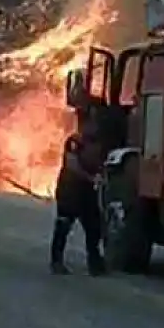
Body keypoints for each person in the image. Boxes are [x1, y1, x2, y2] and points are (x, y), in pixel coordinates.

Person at [49, 118, 106, 275]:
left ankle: (95, 262)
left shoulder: (99, 143)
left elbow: (100, 164)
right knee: (63, 226)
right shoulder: (75, 142)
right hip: (70, 191)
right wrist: (90, 177)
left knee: (93, 228)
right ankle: (56, 261)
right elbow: (72, 164)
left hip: (87, 192)